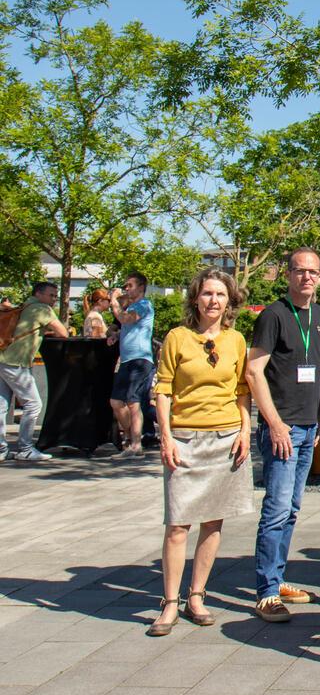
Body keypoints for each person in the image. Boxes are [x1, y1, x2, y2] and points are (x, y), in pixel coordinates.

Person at [147, 269, 252, 636]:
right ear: (196, 298)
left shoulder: (236, 340)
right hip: (184, 438)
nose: (213, 301)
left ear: (229, 300)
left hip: (226, 437)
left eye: (220, 295)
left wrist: (245, 429)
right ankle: (170, 603)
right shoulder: (178, 338)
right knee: (177, 524)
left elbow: (242, 389)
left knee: (213, 521)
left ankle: (197, 596)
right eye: (207, 293)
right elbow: (163, 389)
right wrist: (166, 435)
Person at [246, 248, 320, 623]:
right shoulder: (274, 315)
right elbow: (253, 371)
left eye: (313, 272)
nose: (306, 277)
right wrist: (275, 423)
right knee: (276, 510)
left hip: (307, 427)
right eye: (300, 271)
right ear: (288, 275)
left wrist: (316, 423)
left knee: (293, 509)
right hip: (282, 428)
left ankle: (277, 578)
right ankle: (265, 592)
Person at [0, 281, 68, 462]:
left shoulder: (24, 306)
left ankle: (1, 449)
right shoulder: (42, 309)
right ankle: (26, 448)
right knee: (34, 404)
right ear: (39, 294)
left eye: (56, 295)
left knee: (2, 407)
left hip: (3, 358)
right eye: (51, 295)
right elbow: (64, 333)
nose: (54, 299)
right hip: (17, 362)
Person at [109, 272, 155, 459]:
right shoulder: (132, 306)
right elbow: (124, 326)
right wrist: (114, 334)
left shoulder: (144, 305)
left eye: (130, 285)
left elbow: (126, 320)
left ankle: (135, 444)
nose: (126, 289)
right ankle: (131, 438)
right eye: (125, 286)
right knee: (117, 401)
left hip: (140, 359)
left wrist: (113, 301)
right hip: (128, 359)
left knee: (133, 402)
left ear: (141, 287)